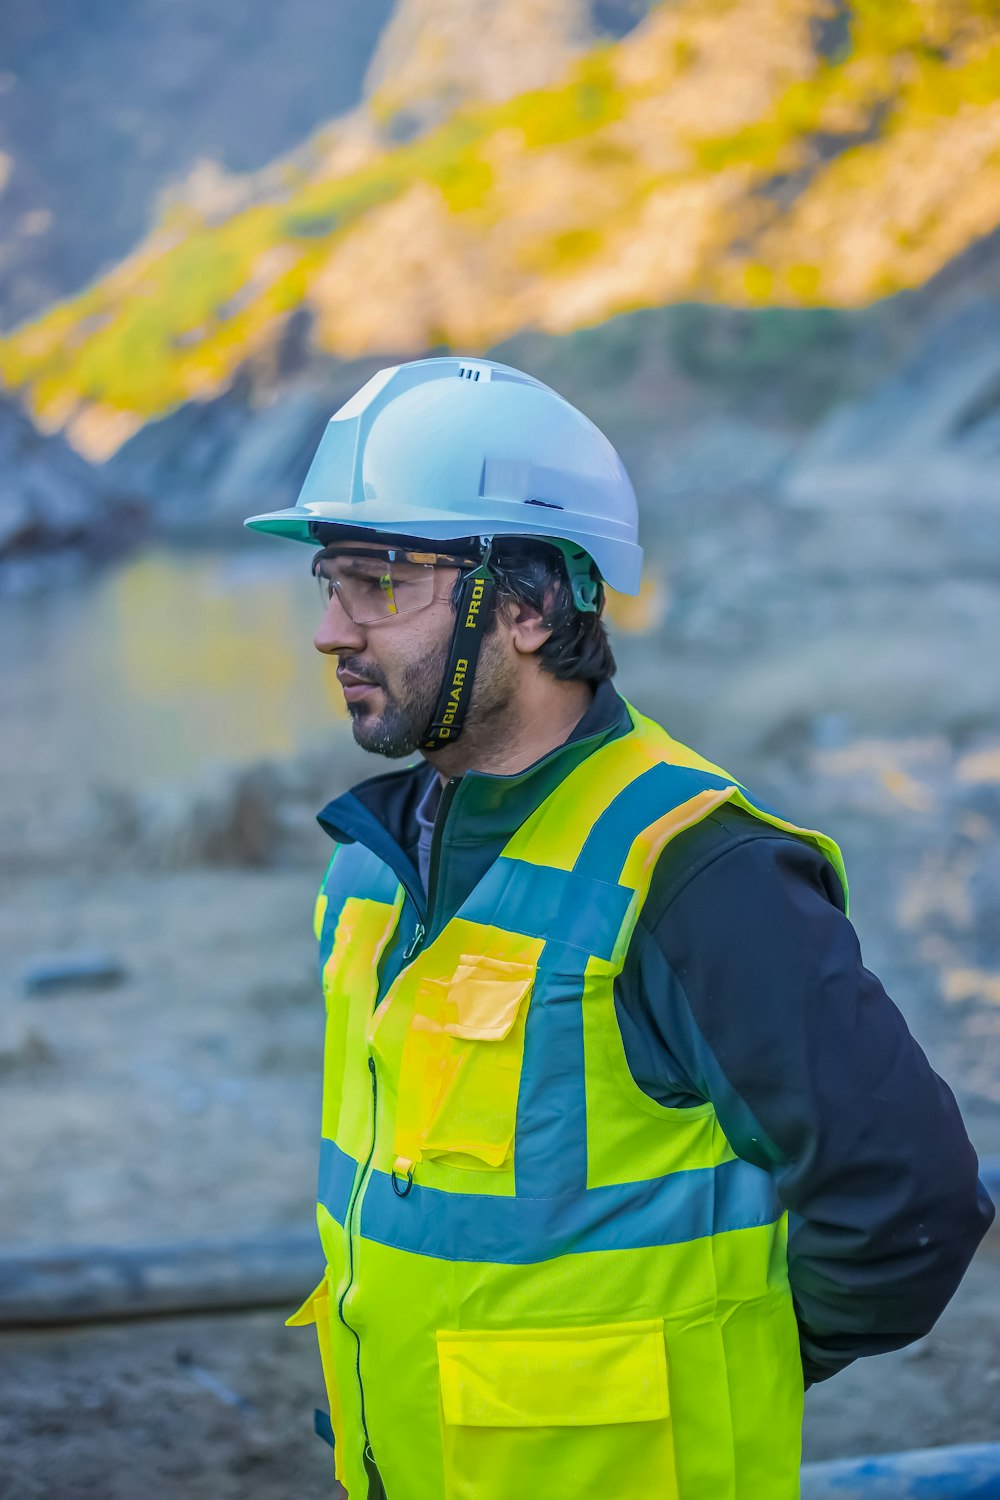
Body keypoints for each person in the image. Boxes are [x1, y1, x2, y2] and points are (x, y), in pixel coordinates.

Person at [244, 356, 993, 1500]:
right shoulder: (375, 860)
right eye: (328, 582)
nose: (331, 631)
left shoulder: (694, 871)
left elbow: (909, 1204)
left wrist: (730, 1355)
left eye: (380, 584)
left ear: (535, 606)